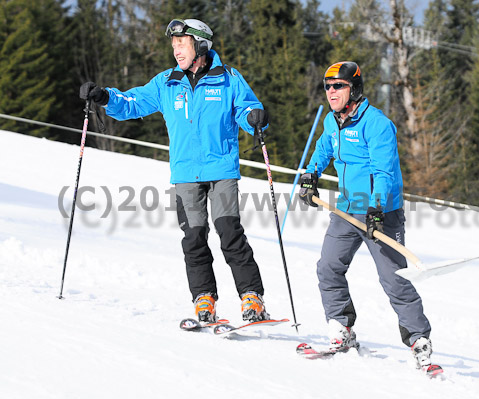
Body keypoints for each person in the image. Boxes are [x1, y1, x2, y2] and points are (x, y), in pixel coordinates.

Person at [79, 18, 270, 324]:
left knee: (229, 233)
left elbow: (247, 108)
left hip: (221, 169)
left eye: (182, 44)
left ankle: (252, 297)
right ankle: (204, 299)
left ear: (201, 45)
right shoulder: (166, 83)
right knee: (193, 238)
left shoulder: (228, 79)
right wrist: (105, 97)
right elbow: (132, 102)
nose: (176, 50)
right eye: (173, 45)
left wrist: (255, 117)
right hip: (185, 174)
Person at [298, 61, 441, 374]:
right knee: (328, 268)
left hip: (381, 212)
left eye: (338, 86)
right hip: (347, 209)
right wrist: (310, 174)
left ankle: (419, 341)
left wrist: (376, 207)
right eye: (327, 86)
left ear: (354, 89)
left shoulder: (376, 124)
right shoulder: (332, 122)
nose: (331, 92)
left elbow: (383, 169)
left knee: (394, 280)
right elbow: (324, 149)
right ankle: (342, 330)